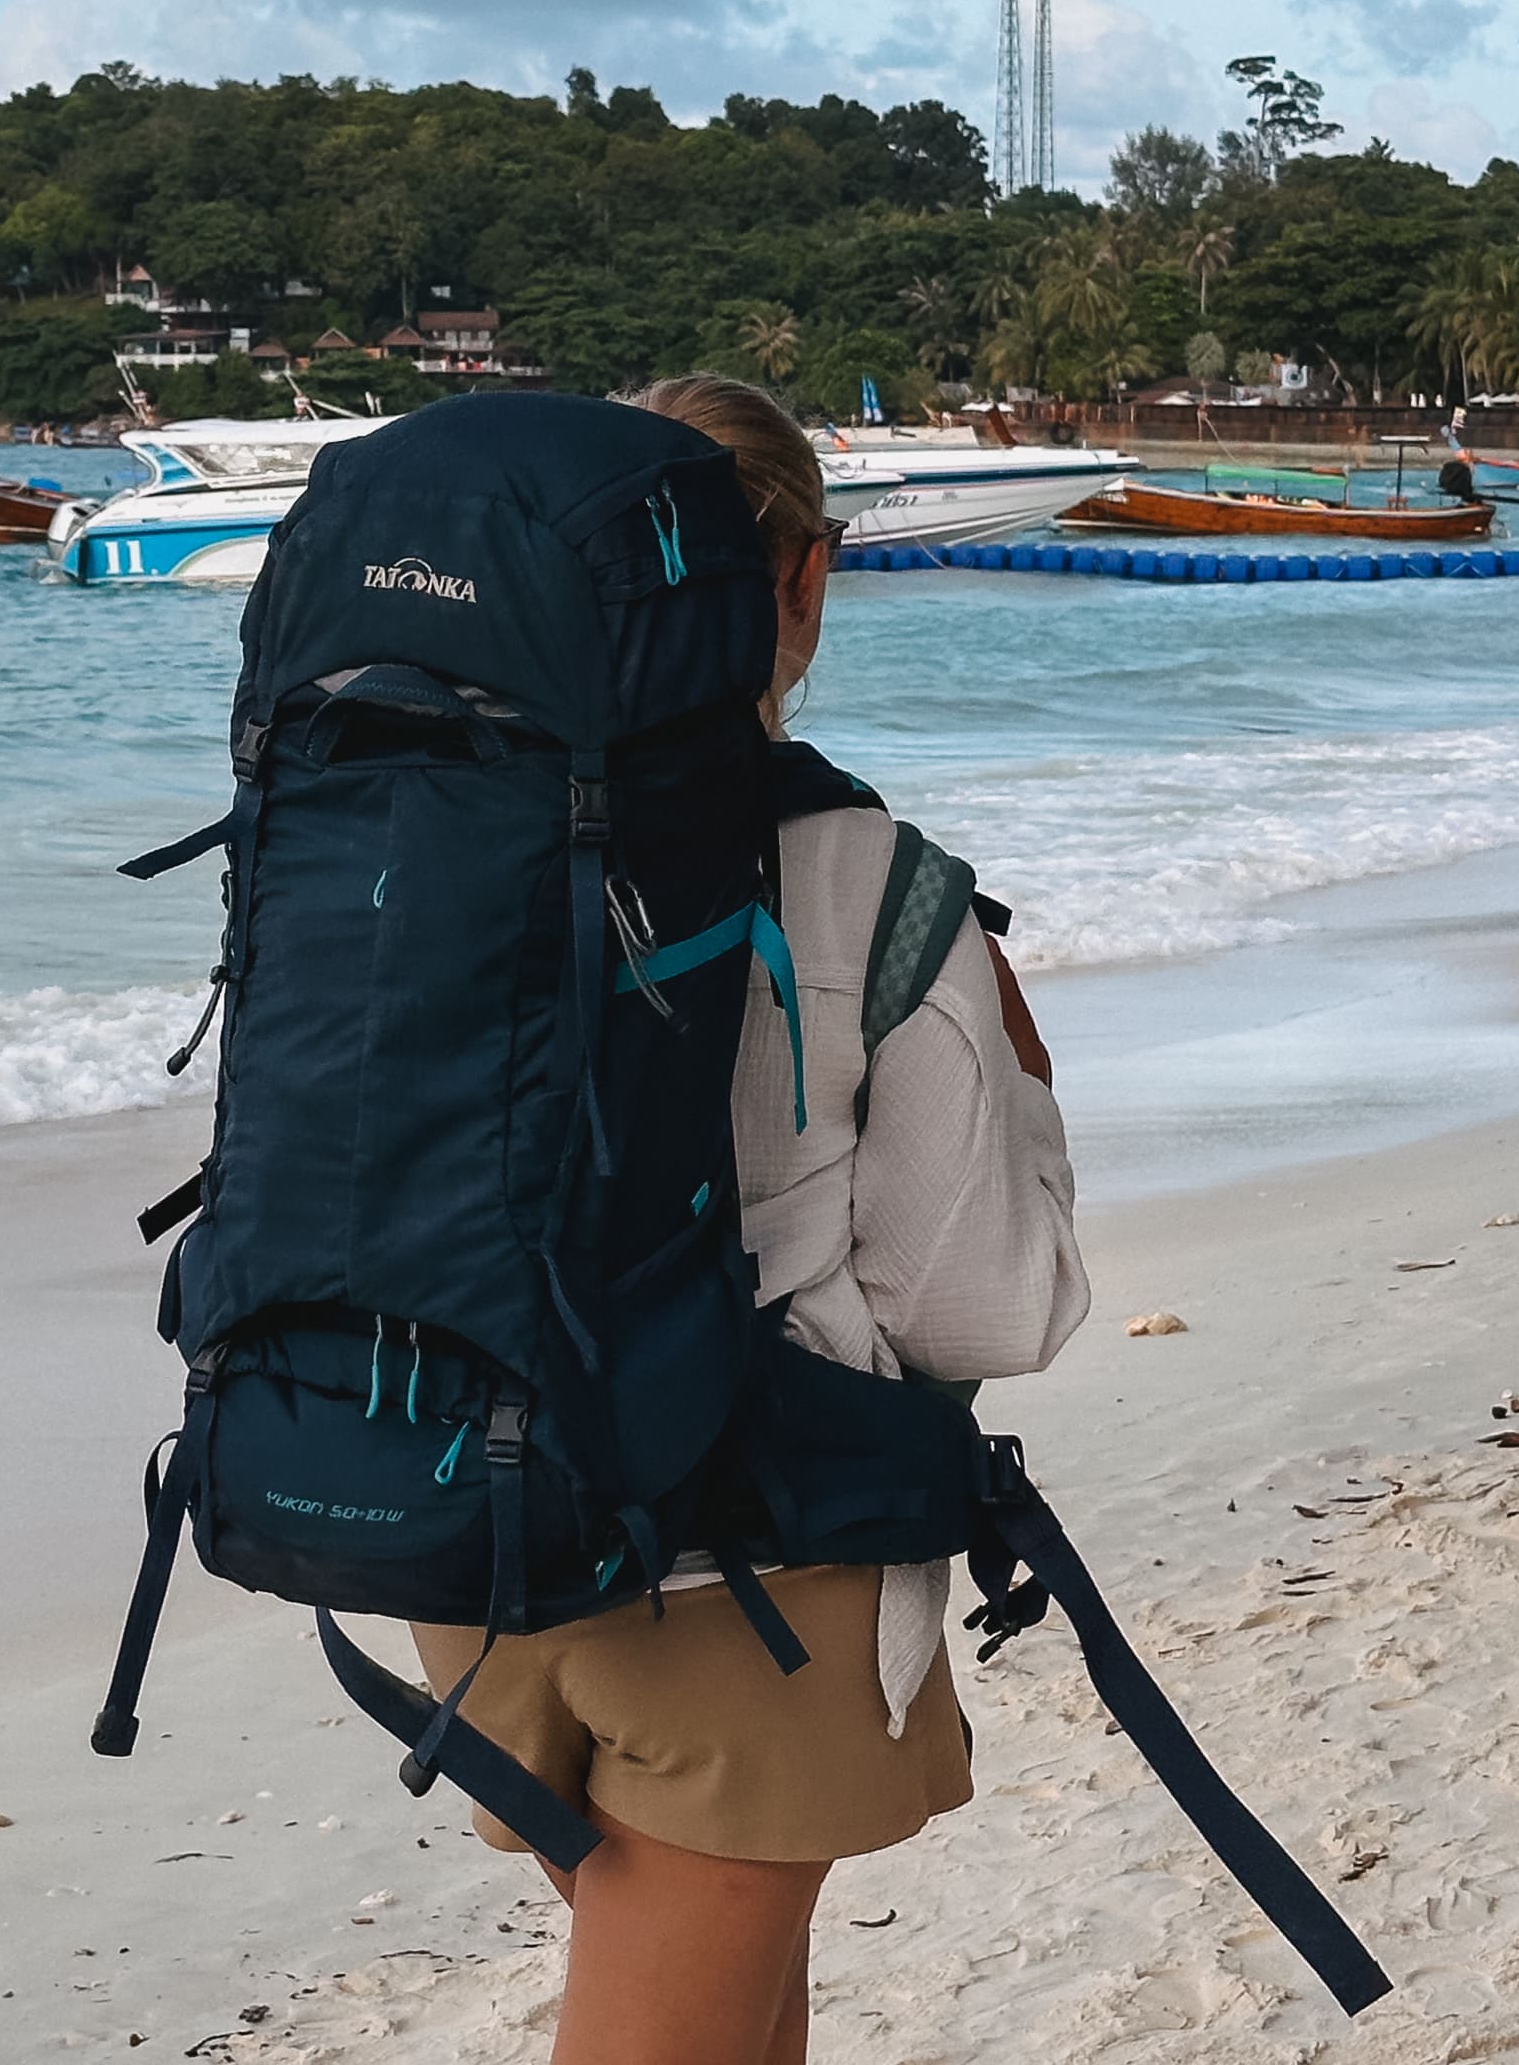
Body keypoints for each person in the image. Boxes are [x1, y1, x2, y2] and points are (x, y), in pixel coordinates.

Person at [407, 374, 1090, 2065]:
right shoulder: (868, 876)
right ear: (802, 578)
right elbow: (982, 1311)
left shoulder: (413, 836)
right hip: (742, 1569)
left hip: (456, 1526)